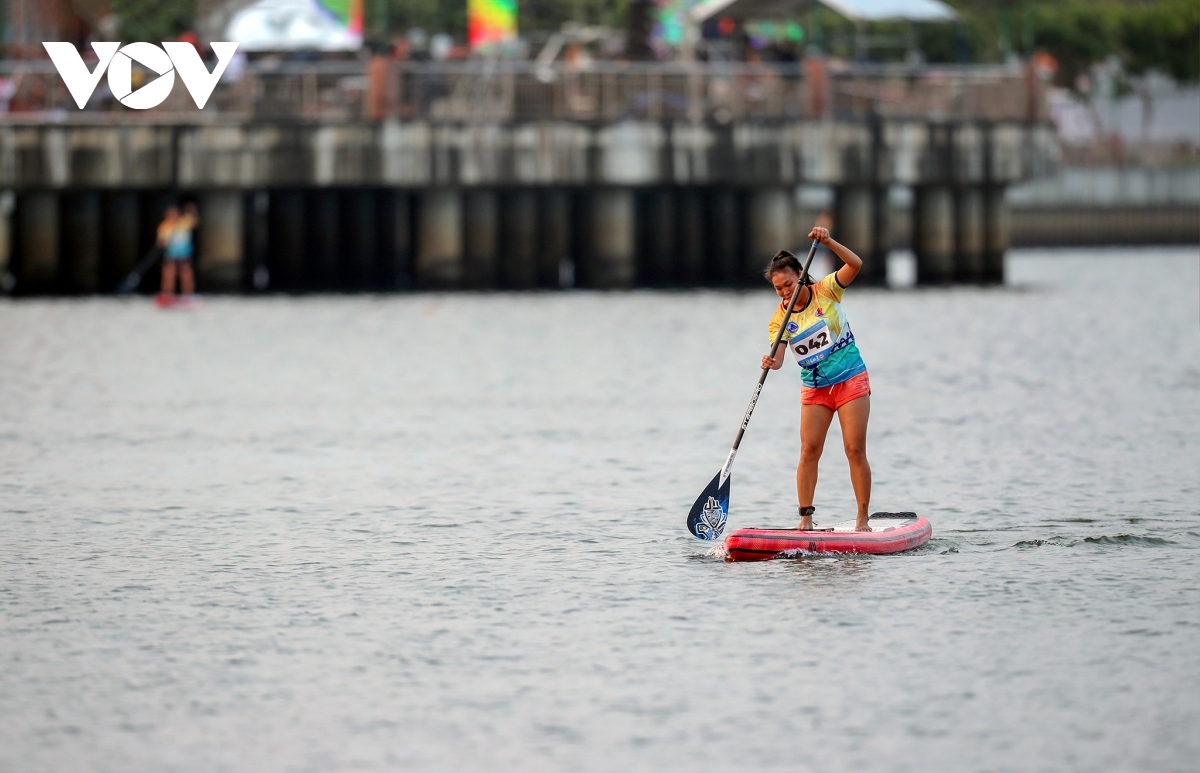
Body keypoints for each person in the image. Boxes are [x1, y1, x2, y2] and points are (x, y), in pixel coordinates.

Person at [761, 226, 872, 531]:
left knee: (854, 449)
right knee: (809, 451)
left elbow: (856, 265)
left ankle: (862, 519)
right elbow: (781, 358)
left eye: (789, 284)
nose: (786, 292)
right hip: (816, 389)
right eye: (779, 289)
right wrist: (771, 361)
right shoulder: (780, 320)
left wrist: (828, 241)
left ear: (801, 274)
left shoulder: (827, 290)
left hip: (851, 378)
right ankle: (805, 519)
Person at [158, 203, 198, 297]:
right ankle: (167, 295)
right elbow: (160, 242)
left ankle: (188, 295)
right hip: (171, 254)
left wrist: (192, 211)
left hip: (184, 254)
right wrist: (164, 241)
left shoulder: (184, 222)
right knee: (168, 275)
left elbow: (195, 223)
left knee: (186, 275)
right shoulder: (165, 226)